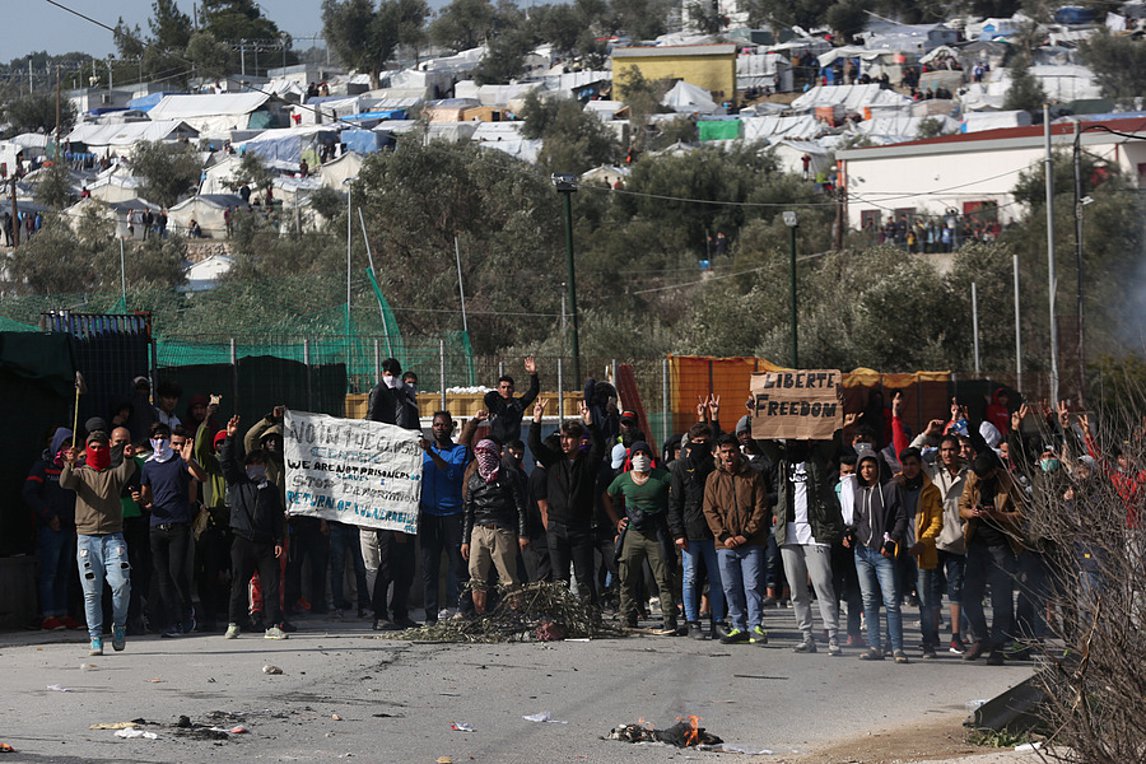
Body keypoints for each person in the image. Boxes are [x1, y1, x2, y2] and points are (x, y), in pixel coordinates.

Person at [761, 435, 844, 656]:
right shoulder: (781, 460)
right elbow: (762, 441)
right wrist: (756, 416)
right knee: (797, 589)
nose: (794, 443)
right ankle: (807, 636)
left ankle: (832, 634)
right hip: (789, 533)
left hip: (816, 531)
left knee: (822, 583)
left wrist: (837, 413)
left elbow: (834, 440)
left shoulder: (817, 457)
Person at [59, 429, 138, 655]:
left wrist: (128, 457)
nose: (96, 451)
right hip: (86, 540)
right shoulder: (81, 473)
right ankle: (95, 637)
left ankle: (119, 626)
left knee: (121, 583)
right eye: (92, 447)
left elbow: (127, 471)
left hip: (114, 537)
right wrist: (69, 463)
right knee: (91, 592)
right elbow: (65, 482)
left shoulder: (114, 474)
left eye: (101, 447)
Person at [528, 398, 603, 601]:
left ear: (579, 440)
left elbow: (600, 448)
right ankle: (560, 618)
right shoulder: (553, 461)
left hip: (580, 529)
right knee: (560, 579)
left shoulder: (587, 464)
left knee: (584, 577)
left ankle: (590, 618)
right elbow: (534, 445)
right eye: (562, 437)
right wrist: (536, 420)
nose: (565, 441)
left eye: (570, 438)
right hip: (556, 527)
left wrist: (590, 423)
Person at [219, 415, 287, 639]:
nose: (254, 468)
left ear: (265, 467)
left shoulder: (271, 490)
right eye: (251, 465)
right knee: (239, 584)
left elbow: (278, 517)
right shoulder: (239, 483)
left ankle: (272, 625)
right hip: (242, 540)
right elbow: (226, 463)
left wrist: (279, 541)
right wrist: (230, 437)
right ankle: (234, 623)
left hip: (266, 543)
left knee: (270, 585)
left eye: (259, 465)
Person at [703, 435, 770, 645]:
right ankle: (738, 625)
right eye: (724, 452)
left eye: (731, 451)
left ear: (738, 452)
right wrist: (724, 536)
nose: (728, 456)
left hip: (751, 542)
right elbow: (709, 509)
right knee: (730, 587)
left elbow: (761, 507)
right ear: (719, 454)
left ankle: (756, 626)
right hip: (725, 544)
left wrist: (746, 534)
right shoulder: (713, 478)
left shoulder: (753, 476)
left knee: (752, 585)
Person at [605, 440, 677, 634]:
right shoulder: (623, 479)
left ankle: (670, 618)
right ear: (631, 458)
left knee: (663, 577)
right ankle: (627, 618)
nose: (640, 458)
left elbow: (678, 490)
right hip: (633, 533)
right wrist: (616, 521)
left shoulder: (662, 477)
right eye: (636, 454)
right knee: (626, 577)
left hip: (656, 532)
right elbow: (607, 496)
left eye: (644, 454)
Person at [142, 423, 206, 638]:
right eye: (155, 437)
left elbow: (202, 477)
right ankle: (172, 622)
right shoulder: (149, 466)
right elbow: (146, 494)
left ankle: (187, 609)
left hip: (178, 525)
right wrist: (144, 501)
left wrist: (189, 460)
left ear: (169, 440)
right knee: (162, 576)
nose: (159, 441)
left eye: (163, 437)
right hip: (156, 526)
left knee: (176, 572)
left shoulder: (179, 462)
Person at [845, 446, 909, 663]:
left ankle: (897, 648)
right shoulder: (859, 492)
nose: (866, 470)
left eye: (870, 466)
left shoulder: (890, 488)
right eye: (862, 467)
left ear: (878, 467)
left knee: (891, 601)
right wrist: (850, 534)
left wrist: (892, 541)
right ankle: (875, 646)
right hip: (862, 553)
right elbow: (857, 521)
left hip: (884, 552)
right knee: (869, 601)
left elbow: (901, 517)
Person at [959, 452, 1023, 665]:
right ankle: (980, 638)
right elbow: (962, 508)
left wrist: (996, 514)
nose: (981, 480)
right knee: (969, 596)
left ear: (994, 471)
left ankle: (997, 645)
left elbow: (1021, 514)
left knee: (1001, 600)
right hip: (976, 545)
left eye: (985, 476)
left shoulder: (1009, 482)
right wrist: (973, 513)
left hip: (1001, 546)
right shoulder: (972, 478)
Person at [417, 411, 476, 624]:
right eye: (436, 425)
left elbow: (452, 474)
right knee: (429, 569)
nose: (440, 428)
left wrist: (432, 454)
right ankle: (431, 617)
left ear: (451, 428)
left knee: (459, 568)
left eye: (444, 425)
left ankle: (465, 611)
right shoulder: (420, 453)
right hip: (429, 517)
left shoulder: (460, 452)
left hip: (452, 515)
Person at [669, 422, 725, 640]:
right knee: (690, 578)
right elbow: (674, 503)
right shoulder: (681, 467)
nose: (701, 445)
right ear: (689, 443)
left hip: (714, 532)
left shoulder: (715, 467)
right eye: (697, 442)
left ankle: (718, 620)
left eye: (705, 442)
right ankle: (692, 621)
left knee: (717, 578)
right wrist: (678, 533)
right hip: (691, 532)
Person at [461, 439, 529, 613]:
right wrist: (465, 540)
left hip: (501, 530)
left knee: (509, 578)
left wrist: (522, 534)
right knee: (477, 578)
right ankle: (480, 615)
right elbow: (468, 511)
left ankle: (517, 615)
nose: (484, 458)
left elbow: (520, 506)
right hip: (479, 531)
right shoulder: (474, 479)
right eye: (480, 454)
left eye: (487, 453)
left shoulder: (508, 476)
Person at [23, 427, 79, 631]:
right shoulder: (42, 467)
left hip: (69, 527)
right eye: (64, 444)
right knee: (49, 573)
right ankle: (47, 615)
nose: (67, 449)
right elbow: (29, 494)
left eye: (71, 444)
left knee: (65, 572)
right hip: (50, 527)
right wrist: (48, 516)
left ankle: (62, 612)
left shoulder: (74, 469)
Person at [897, 447, 944, 658]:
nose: (909, 469)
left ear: (920, 465)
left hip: (921, 552)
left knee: (924, 600)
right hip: (898, 550)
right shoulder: (894, 486)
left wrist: (923, 542)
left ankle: (928, 642)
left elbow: (937, 521)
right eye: (905, 464)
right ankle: (895, 641)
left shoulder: (931, 490)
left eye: (913, 464)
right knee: (894, 599)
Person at [484, 357, 539, 445]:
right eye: (503, 387)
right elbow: (488, 397)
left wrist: (533, 373)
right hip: (496, 445)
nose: (506, 390)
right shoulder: (495, 405)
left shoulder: (518, 405)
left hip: (513, 446)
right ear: (499, 389)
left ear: (513, 389)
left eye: (509, 387)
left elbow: (533, 391)